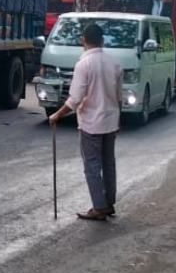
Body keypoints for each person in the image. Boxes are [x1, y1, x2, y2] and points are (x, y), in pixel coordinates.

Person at [48, 23, 122, 221]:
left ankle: (99, 207)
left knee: (91, 166)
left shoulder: (83, 65)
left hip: (91, 123)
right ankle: (109, 203)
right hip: (110, 122)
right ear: (102, 41)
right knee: (108, 164)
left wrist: (57, 115)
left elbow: (75, 99)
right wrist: (118, 119)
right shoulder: (114, 64)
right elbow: (119, 97)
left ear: (83, 41)